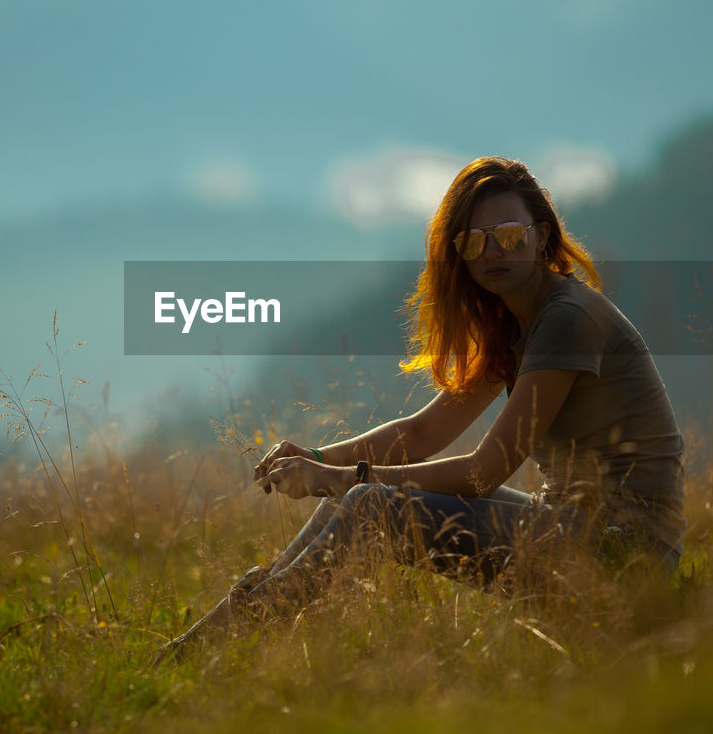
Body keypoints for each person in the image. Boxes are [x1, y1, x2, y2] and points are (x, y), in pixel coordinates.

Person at [154, 155, 685, 662]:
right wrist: (319, 456)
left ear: (542, 236)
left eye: (508, 236)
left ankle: (231, 637)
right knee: (355, 498)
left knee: (367, 505)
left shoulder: (567, 319)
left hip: (625, 554)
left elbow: (485, 472)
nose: (492, 252)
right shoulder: (518, 324)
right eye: (474, 242)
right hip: (569, 524)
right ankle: (226, 626)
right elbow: (424, 430)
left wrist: (339, 478)